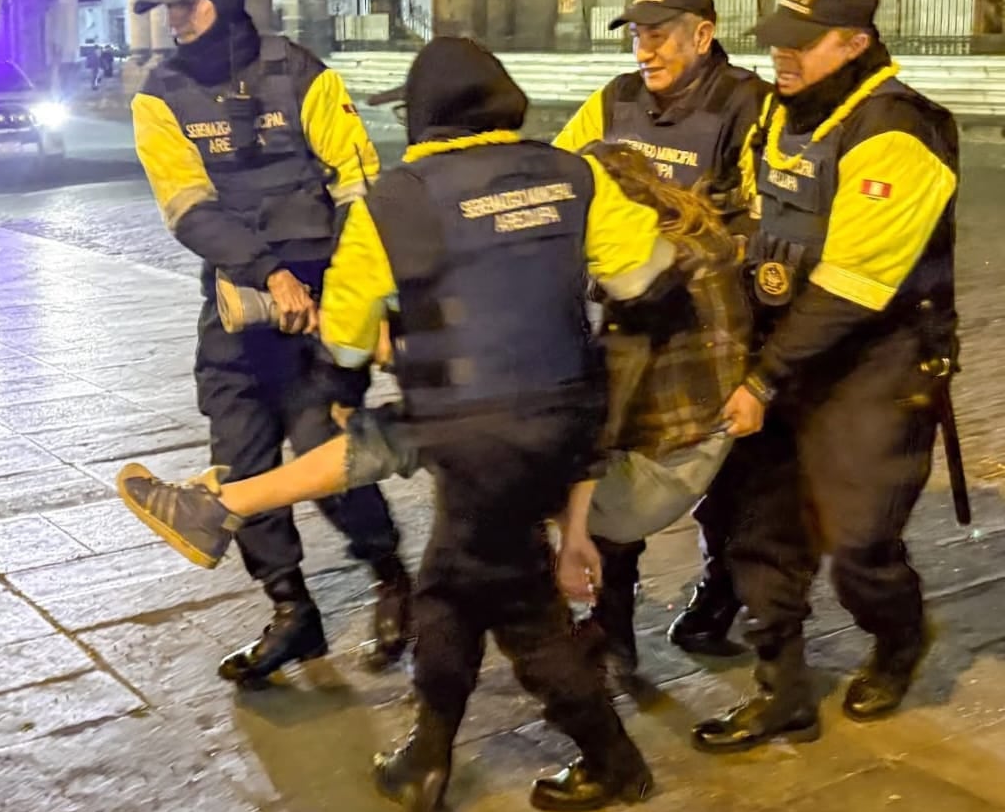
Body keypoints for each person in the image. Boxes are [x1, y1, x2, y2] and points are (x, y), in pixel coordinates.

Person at [122, 37, 669, 812]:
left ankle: (611, 757)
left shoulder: (403, 198)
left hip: (471, 429)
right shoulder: (571, 174)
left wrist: (342, 392)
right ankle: (428, 754)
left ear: (429, 117)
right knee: (452, 588)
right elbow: (645, 279)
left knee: (518, 608)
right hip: (565, 416)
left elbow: (345, 335)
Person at [118, 142, 752, 683]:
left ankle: (223, 506)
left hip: (648, 477)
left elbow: (596, 414)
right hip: (658, 457)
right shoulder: (677, 250)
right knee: (456, 421)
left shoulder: (643, 290)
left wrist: (576, 536)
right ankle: (227, 507)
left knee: (427, 429)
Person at [692, 0, 961, 753]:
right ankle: (784, 692)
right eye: (779, 40)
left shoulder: (897, 131)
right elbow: (754, 213)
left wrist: (764, 378)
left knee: (858, 541)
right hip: (784, 349)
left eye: (803, 45)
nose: (784, 56)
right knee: (761, 525)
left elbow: (851, 287)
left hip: (877, 359)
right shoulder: (785, 110)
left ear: (856, 43)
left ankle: (898, 637)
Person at [129, 0, 410, 688]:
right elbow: (187, 207)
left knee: (330, 453)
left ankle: (391, 577)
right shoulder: (158, 95)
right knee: (240, 466)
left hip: (322, 309)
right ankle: (292, 610)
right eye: (165, 8)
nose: (173, 22)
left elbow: (356, 183)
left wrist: (350, 293)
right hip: (239, 310)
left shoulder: (301, 72)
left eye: (183, 5)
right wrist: (268, 272)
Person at [554, 0, 774, 660]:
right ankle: (610, 622)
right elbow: (564, 173)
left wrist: (661, 244)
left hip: (712, 326)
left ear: (703, 35)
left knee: (729, 482)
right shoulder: (616, 97)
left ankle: (721, 592)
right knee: (617, 454)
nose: (644, 52)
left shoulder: (747, 105)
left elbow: (757, 221)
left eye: (660, 36)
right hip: (629, 315)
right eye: (638, 36)